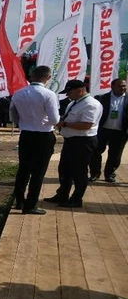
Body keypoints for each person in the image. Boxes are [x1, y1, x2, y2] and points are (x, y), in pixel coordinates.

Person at [8, 65, 59, 214]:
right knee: (38, 172)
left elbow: (12, 114)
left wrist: (22, 123)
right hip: (43, 135)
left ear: (32, 76)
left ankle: (19, 201)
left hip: (26, 134)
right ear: (48, 78)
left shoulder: (18, 93)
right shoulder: (49, 94)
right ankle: (31, 205)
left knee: (23, 169)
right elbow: (55, 119)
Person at [46, 79, 103, 208]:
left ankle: (77, 198)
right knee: (65, 170)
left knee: (79, 171)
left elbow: (87, 125)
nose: (67, 95)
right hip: (71, 141)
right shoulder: (75, 103)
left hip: (83, 142)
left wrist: (64, 124)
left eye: (69, 92)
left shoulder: (91, 104)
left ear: (80, 90)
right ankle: (62, 194)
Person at [89, 77, 128, 183]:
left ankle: (110, 174)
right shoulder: (101, 98)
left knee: (115, 155)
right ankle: (94, 174)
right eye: (119, 86)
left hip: (120, 132)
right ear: (112, 87)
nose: (123, 88)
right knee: (96, 152)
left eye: (124, 86)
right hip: (102, 131)